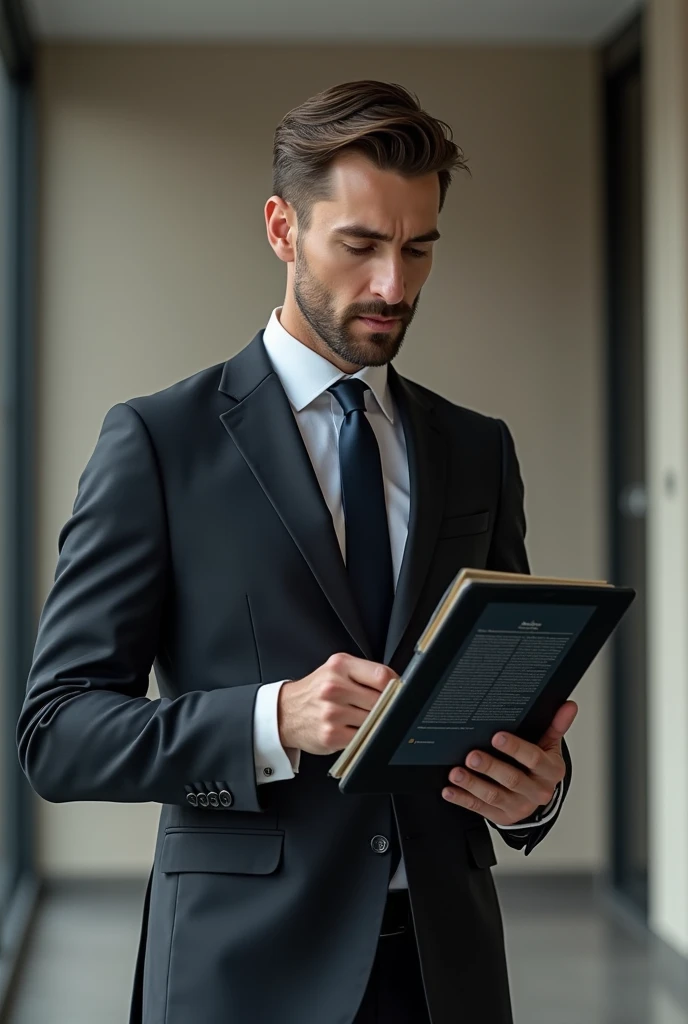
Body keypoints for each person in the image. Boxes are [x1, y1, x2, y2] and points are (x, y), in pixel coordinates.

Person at [17, 79, 576, 1024]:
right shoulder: (159, 442)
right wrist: (271, 720)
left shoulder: (479, 450)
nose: (393, 285)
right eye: (359, 246)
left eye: (418, 248)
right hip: (241, 973)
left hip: (445, 972)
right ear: (283, 229)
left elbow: (500, 695)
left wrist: (535, 794)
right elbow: (58, 734)